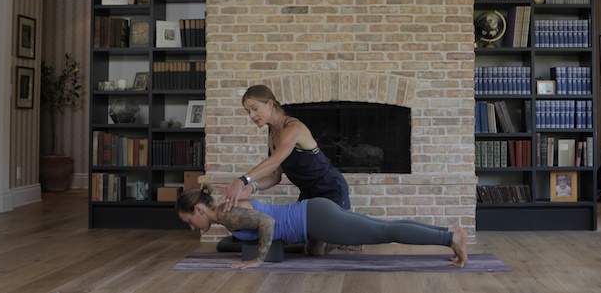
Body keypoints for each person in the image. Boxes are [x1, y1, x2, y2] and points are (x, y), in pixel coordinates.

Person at [177, 185, 469, 269]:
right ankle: (447, 235)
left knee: (384, 232)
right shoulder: (228, 211)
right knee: (385, 227)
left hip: (316, 219)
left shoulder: (227, 215)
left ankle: (449, 237)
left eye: (191, 221)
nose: (193, 227)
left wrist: (257, 260)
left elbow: (268, 222)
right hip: (314, 217)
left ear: (199, 209)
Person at [221, 85, 351, 212]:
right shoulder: (272, 135)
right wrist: (251, 188)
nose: (252, 115)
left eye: (255, 108)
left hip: (331, 190)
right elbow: (275, 176)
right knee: (303, 233)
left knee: (330, 233)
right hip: (308, 193)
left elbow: (274, 161)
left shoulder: (293, 128)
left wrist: (242, 181)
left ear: (270, 104)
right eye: (248, 111)